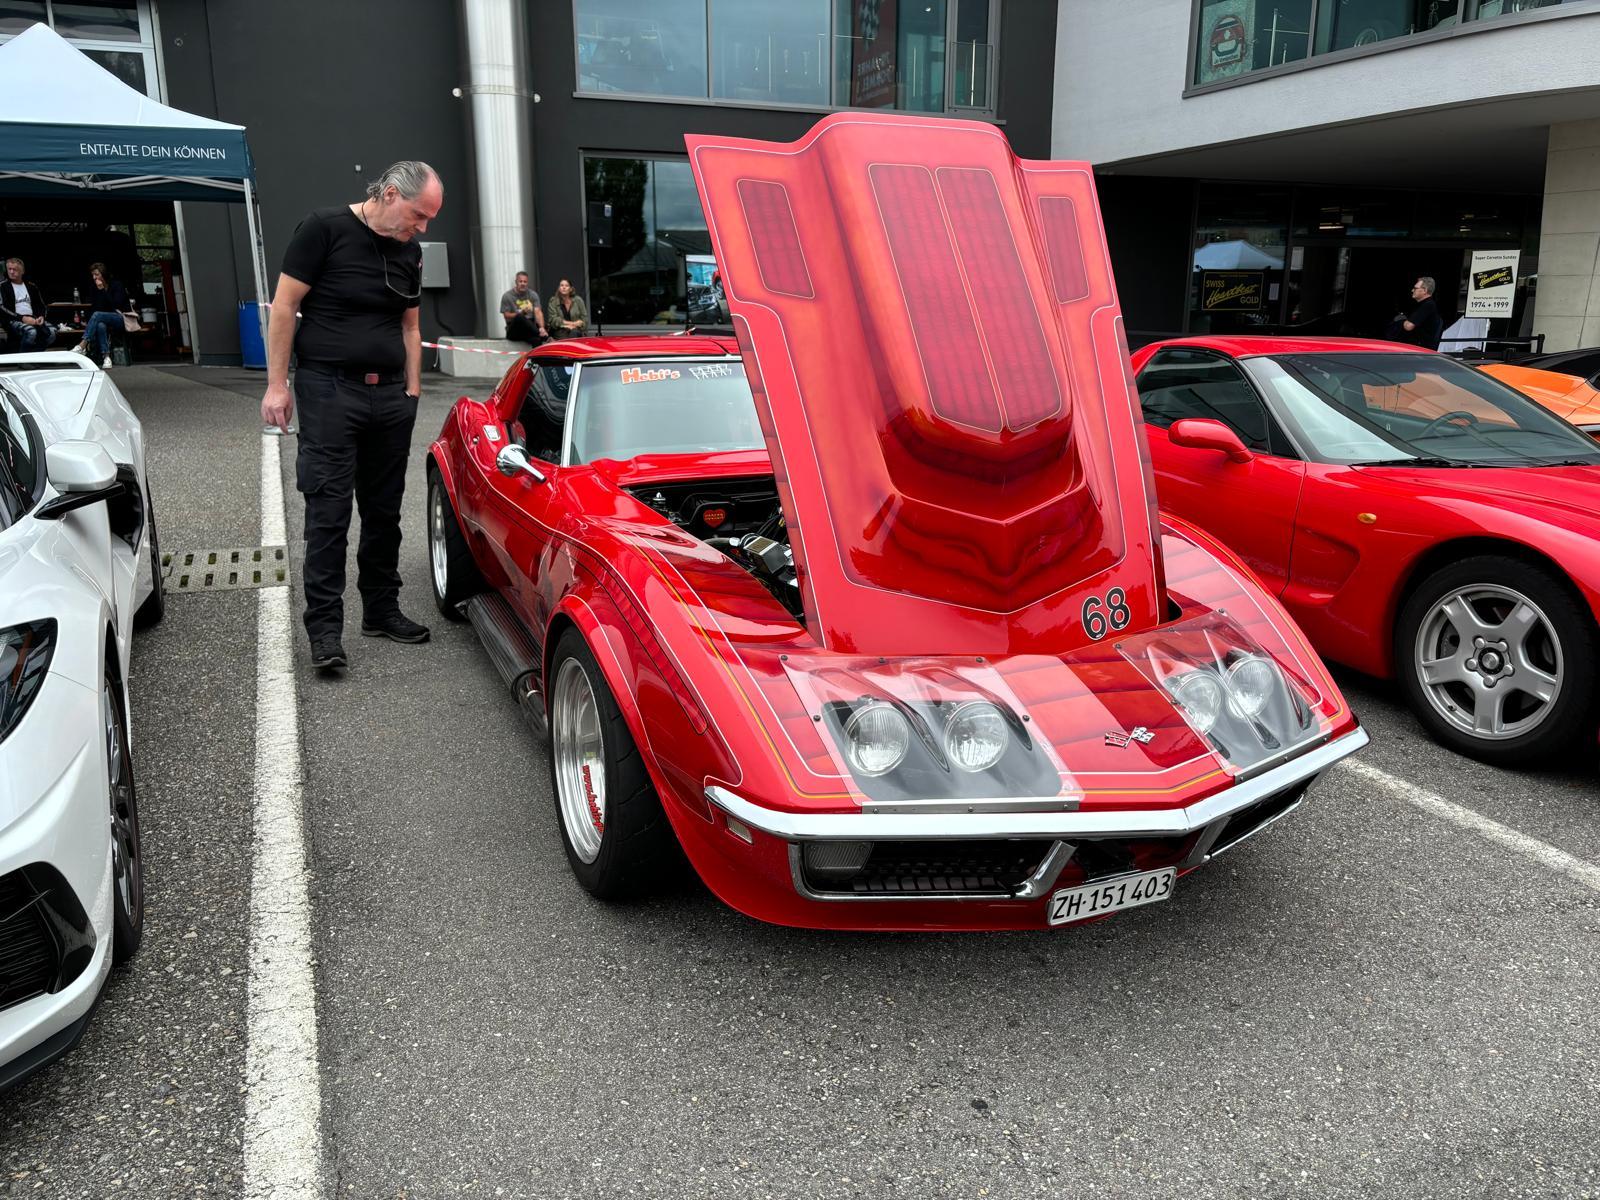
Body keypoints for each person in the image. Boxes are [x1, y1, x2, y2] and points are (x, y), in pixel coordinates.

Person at [259, 160, 443, 672]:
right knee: (329, 512)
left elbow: (410, 326)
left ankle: (381, 611)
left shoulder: (408, 252)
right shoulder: (323, 230)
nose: (422, 228)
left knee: (384, 512)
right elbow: (283, 308)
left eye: (428, 219)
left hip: (389, 399)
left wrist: (412, 390)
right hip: (328, 391)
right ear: (388, 194)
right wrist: (277, 386)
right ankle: (324, 631)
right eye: (418, 214)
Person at [74, 262, 138, 369]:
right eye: (93, 275)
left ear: (103, 274)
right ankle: (106, 357)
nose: (94, 277)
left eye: (96, 274)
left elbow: (116, 305)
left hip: (120, 317)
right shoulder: (95, 288)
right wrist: (100, 291)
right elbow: (97, 307)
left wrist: (103, 290)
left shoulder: (117, 285)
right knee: (100, 325)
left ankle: (83, 344)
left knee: (98, 315)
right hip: (104, 318)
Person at [1, 257, 58, 352]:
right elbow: (2, 307)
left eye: (14, 269)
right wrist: (22, 318)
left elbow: (41, 305)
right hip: (13, 319)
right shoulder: (3, 286)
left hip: (33, 318)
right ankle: (23, 360)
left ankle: (36, 355)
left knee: (52, 332)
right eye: (9, 269)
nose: (11, 272)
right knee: (31, 332)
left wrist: (41, 316)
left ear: (22, 271)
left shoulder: (31, 286)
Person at [1393, 276, 1443, 350]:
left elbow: (1408, 326)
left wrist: (1401, 320)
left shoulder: (1428, 305)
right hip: (1417, 349)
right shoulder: (1423, 304)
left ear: (1425, 290)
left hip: (1421, 351)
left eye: (1415, 288)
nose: (1412, 290)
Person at [499, 271, 547, 345]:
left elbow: (538, 312)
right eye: (520, 281)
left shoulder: (533, 295)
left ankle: (540, 336)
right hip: (514, 330)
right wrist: (522, 313)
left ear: (527, 283)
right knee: (520, 316)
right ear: (516, 282)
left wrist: (542, 328)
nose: (523, 284)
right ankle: (544, 336)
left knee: (537, 340)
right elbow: (507, 316)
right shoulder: (507, 296)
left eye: (525, 282)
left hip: (528, 330)